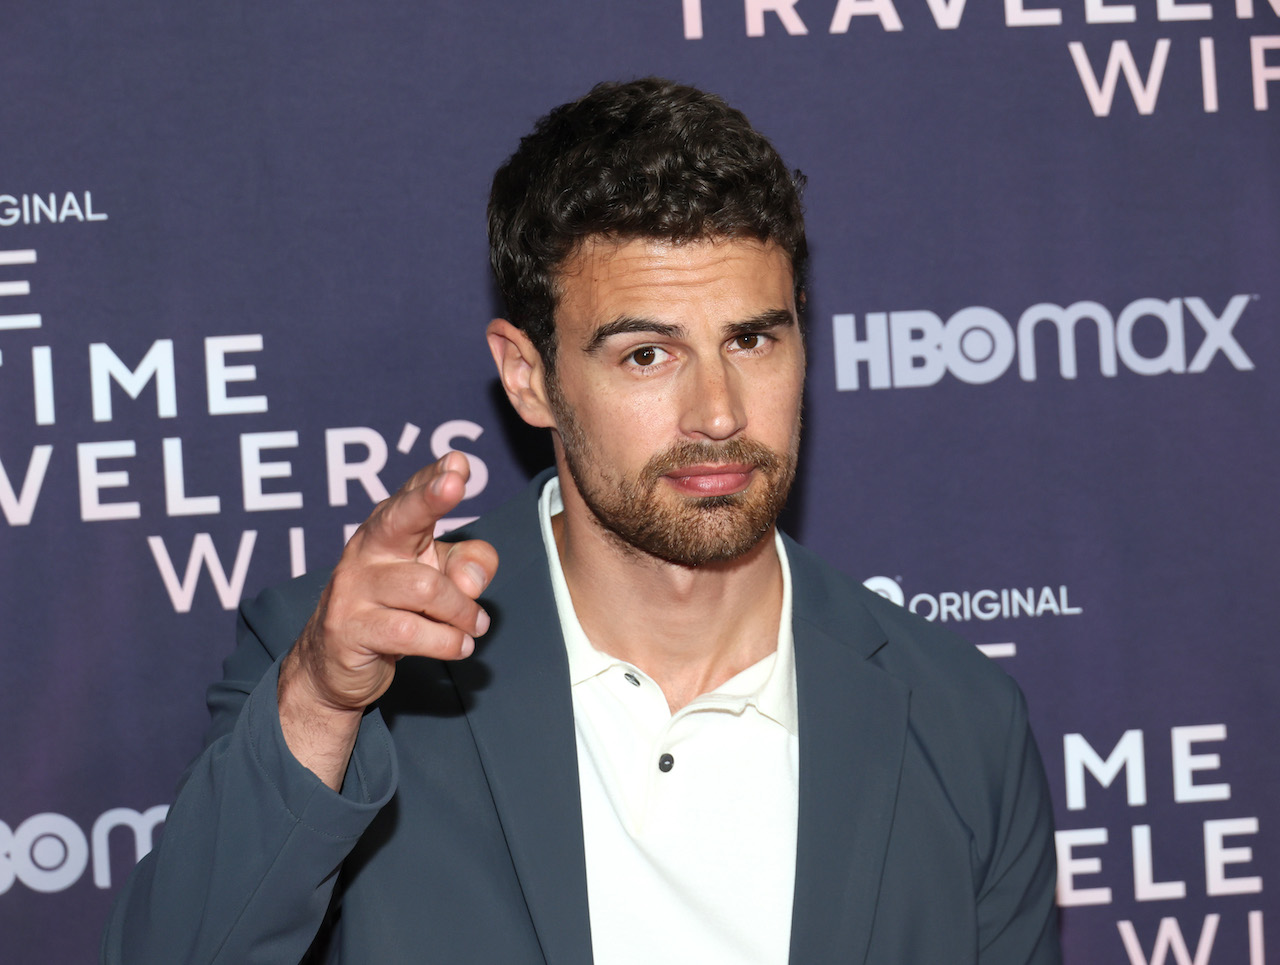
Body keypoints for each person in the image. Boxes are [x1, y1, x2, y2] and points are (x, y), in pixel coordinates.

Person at [103, 78, 1061, 964]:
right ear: (530, 378)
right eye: (647, 355)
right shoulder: (359, 680)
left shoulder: (960, 721)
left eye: (752, 339)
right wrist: (318, 701)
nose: (719, 413)